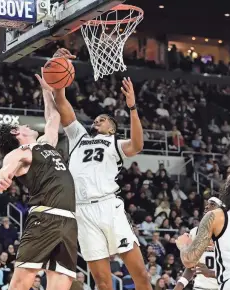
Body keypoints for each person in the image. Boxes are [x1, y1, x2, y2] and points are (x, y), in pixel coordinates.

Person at [52, 48, 149, 290]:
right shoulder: (78, 137)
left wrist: (133, 108)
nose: (97, 120)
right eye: (95, 119)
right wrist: (57, 65)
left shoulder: (114, 142)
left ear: (112, 128)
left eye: (102, 119)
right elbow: (61, 101)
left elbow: (137, 145)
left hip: (108, 207)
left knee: (141, 275)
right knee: (103, 282)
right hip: (83, 211)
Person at [0, 70, 77, 290]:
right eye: (21, 125)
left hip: (68, 220)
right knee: (21, 283)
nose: (27, 125)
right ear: (15, 132)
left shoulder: (44, 144)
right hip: (44, 218)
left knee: (62, 283)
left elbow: (53, 118)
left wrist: (47, 90)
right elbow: (3, 171)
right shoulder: (20, 152)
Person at [174, 197, 223, 290]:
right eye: (207, 204)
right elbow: (192, 266)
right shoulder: (194, 232)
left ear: (220, 211)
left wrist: (211, 273)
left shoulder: (227, 233)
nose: (207, 207)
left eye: (212, 204)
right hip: (200, 287)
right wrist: (179, 285)